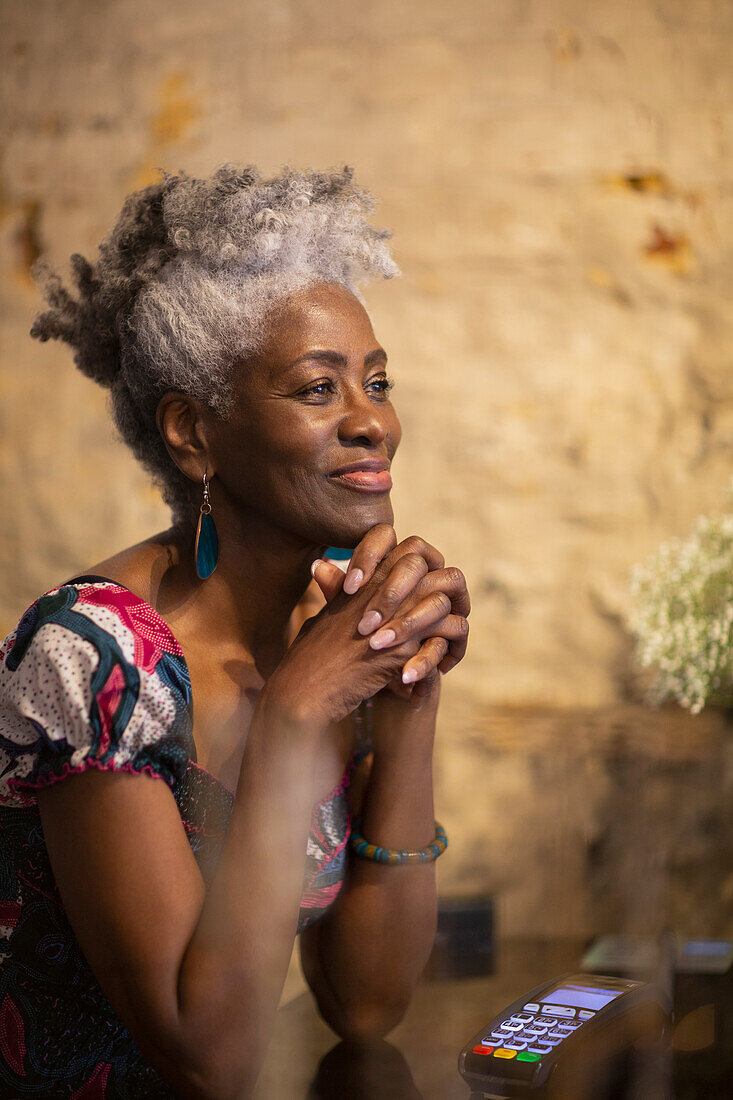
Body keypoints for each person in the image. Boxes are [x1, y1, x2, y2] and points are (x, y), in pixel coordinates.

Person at [0, 165, 470, 1098]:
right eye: (316, 390)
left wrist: (409, 700)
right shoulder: (92, 656)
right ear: (193, 433)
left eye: (375, 382)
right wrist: (292, 719)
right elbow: (207, 1057)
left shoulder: (329, 632)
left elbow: (366, 1004)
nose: (371, 421)